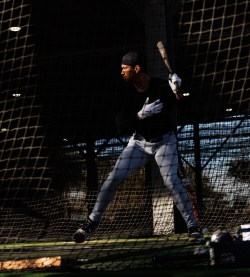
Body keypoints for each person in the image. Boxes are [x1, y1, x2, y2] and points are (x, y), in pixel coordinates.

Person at [73, 51, 204, 244]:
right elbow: (122, 127)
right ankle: (91, 222)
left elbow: (185, 109)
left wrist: (177, 90)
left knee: (171, 182)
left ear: (136, 69)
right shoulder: (124, 92)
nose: (122, 72)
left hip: (165, 142)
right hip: (140, 143)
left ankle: (193, 227)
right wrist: (140, 115)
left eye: (124, 68)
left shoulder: (161, 86)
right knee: (112, 179)